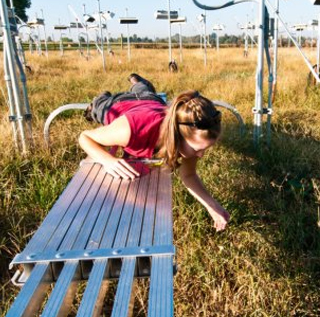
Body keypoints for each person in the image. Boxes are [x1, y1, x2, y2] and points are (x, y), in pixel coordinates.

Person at [79, 74, 230, 231]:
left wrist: (213, 207)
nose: (200, 155)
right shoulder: (130, 130)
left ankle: (138, 81)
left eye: (205, 149)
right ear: (177, 135)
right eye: (198, 150)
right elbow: (85, 137)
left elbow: (189, 175)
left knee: (144, 89)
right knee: (99, 107)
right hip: (120, 104)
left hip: (151, 100)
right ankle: (100, 100)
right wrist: (107, 160)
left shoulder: (188, 134)